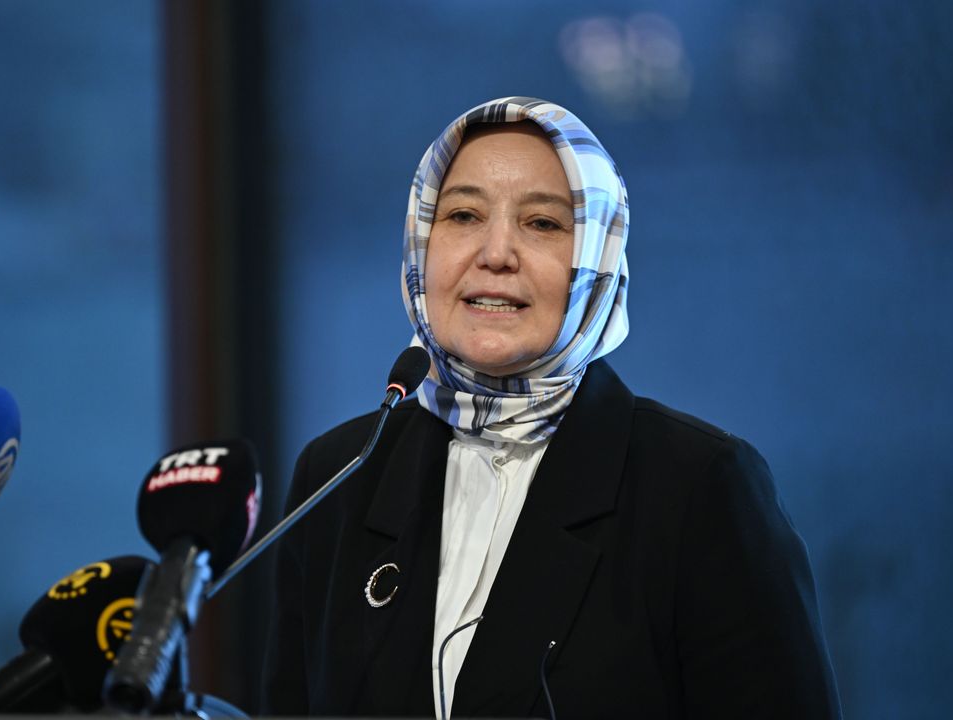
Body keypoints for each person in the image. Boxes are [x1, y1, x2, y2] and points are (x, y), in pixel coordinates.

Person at [262, 96, 841, 718]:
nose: (496, 253)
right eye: (463, 215)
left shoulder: (700, 486)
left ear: (596, 257)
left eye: (541, 224)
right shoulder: (339, 476)